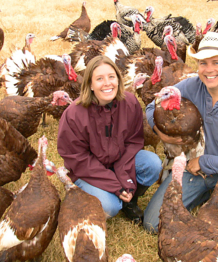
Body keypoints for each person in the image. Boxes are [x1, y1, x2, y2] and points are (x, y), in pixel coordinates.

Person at [143, 32, 218, 244]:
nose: (209, 70)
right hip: (192, 171)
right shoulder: (191, 86)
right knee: (152, 224)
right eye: (203, 63)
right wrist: (161, 132)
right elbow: (151, 107)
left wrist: (202, 162)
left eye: (216, 62)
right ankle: (204, 198)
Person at [57, 55, 162, 223]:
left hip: (118, 162)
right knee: (110, 207)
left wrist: (124, 179)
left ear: (118, 80)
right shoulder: (74, 115)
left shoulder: (130, 102)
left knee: (152, 164)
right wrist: (115, 184)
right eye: (99, 79)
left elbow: (133, 143)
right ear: (90, 84)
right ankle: (100, 196)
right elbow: (78, 159)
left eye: (111, 77)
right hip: (87, 172)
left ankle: (129, 201)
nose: (107, 83)